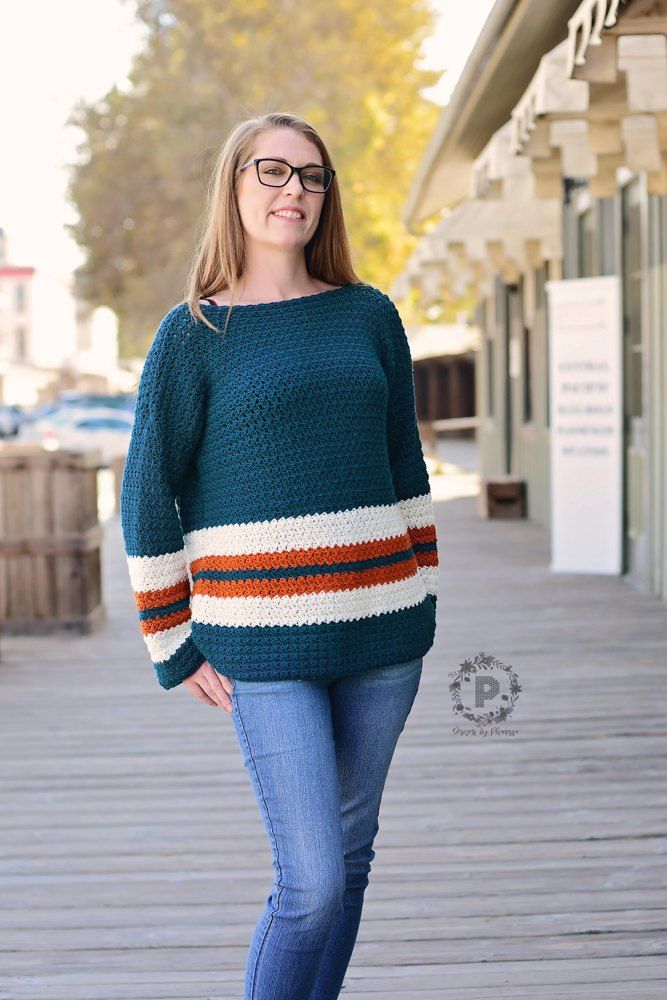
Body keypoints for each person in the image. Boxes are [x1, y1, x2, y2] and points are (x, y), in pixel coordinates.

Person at [120, 111, 439, 1000]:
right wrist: (169, 639)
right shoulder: (194, 335)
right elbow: (149, 494)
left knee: (352, 854)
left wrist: (425, 593)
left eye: (310, 176)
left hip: (384, 634)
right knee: (311, 883)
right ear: (233, 185)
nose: (292, 190)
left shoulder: (368, 315)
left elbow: (403, 463)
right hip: (261, 644)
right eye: (272, 171)